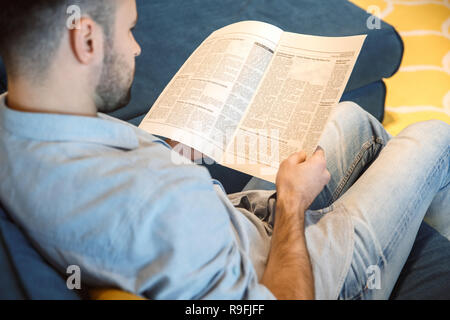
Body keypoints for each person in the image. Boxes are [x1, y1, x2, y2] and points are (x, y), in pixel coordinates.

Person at [0, 0, 448, 300]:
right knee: (435, 137)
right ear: (87, 40)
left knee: (352, 117)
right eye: (129, 30)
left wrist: (167, 149)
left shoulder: (18, 123)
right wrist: (292, 203)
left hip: (232, 222)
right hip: (293, 273)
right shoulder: (161, 201)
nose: (136, 47)